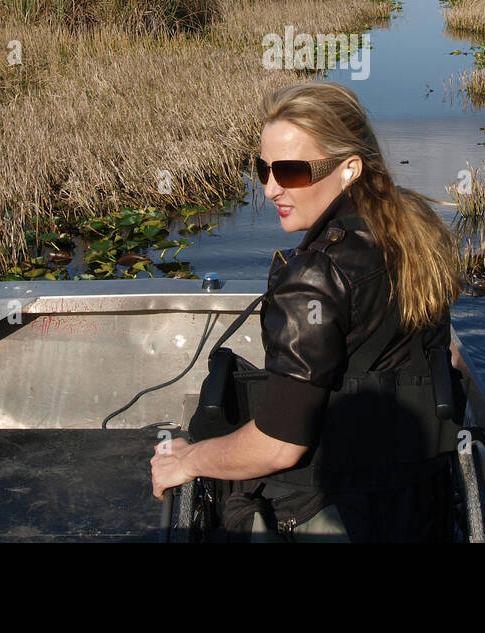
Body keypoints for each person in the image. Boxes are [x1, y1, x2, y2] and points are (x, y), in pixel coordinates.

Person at [150, 80, 464, 541]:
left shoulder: (312, 278)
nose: (272, 188)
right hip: (416, 509)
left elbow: (279, 446)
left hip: (330, 512)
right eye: (264, 169)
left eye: (293, 171)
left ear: (349, 169)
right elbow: (448, 356)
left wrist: (189, 460)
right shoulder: (415, 229)